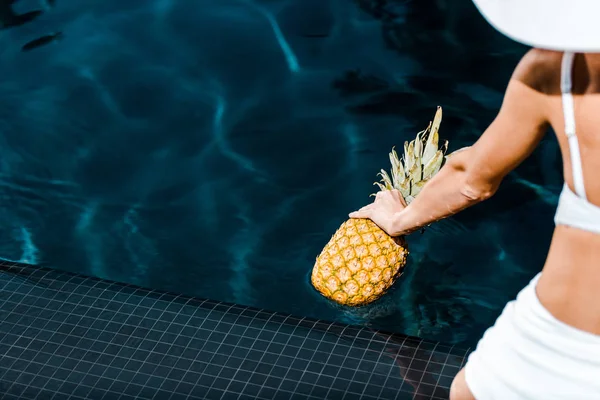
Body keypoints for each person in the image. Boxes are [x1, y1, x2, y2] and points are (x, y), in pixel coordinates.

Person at [349, 0, 600, 398]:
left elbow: (472, 179)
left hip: (554, 330)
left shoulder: (559, 71)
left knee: (466, 391)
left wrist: (397, 221)